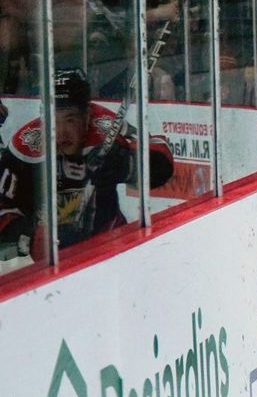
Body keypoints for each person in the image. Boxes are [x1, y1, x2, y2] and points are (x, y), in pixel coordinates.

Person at [0, 68, 175, 259]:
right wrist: (30, 237)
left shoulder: (105, 126)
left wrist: (127, 164)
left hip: (111, 244)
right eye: (52, 119)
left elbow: (162, 154)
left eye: (70, 119)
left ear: (87, 115)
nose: (61, 132)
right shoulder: (25, 145)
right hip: (53, 264)